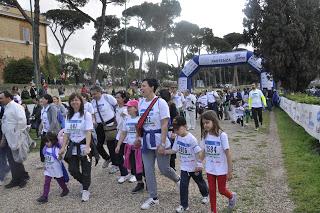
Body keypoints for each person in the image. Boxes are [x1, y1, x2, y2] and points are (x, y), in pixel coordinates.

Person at [137, 79, 180, 210]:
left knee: (163, 169)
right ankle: (153, 197)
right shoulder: (141, 102)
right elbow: (140, 123)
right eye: (141, 86)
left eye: (144, 86)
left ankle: (178, 180)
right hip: (146, 141)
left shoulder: (161, 103)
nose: (141, 88)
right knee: (148, 170)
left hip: (159, 139)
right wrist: (138, 137)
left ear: (152, 87)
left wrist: (162, 143)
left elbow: (165, 124)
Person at [164, 116, 209, 212]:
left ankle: (206, 194)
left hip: (194, 167)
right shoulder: (178, 138)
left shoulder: (191, 139)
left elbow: (199, 153)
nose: (176, 131)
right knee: (183, 186)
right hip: (184, 167)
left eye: (178, 129)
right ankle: (184, 205)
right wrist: (165, 152)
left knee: (200, 182)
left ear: (185, 126)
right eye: (174, 129)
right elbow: (175, 149)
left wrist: (199, 165)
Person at [59, 93, 95, 202]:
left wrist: (88, 146)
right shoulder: (68, 115)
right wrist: (63, 147)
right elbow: (67, 133)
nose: (75, 102)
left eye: (77, 100)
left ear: (81, 101)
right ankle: (85, 183)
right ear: (70, 103)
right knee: (73, 169)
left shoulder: (86, 115)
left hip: (84, 145)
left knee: (86, 169)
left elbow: (88, 131)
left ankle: (85, 190)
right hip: (73, 146)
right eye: (72, 100)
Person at [199, 110, 237, 213]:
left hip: (221, 169)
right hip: (210, 168)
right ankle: (213, 210)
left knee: (222, 190)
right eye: (203, 123)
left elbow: (228, 153)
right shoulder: (205, 135)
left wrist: (230, 170)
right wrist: (198, 163)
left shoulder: (222, 135)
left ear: (214, 121)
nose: (205, 125)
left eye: (207, 122)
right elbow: (203, 151)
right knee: (211, 190)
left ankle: (232, 196)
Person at [0, 91, 30, 188]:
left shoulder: (16, 107)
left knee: (16, 158)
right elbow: (6, 123)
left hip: (15, 137)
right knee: (11, 159)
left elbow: (22, 121)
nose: (0, 100)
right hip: (8, 137)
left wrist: (15, 134)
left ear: (8, 98)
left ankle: (22, 179)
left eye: (1, 98)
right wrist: (4, 137)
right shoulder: (7, 108)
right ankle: (16, 178)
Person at [115, 99, 144, 193]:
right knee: (134, 166)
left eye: (130, 107)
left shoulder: (140, 118)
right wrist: (119, 145)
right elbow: (123, 133)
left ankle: (148, 182)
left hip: (140, 147)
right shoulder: (127, 119)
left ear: (136, 108)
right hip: (130, 146)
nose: (127, 109)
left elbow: (142, 132)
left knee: (143, 166)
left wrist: (138, 139)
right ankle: (140, 183)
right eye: (127, 107)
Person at [37, 132, 69, 203]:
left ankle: (65, 189)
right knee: (46, 182)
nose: (46, 143)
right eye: (45, 142)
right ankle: (45, 196)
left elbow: (60, 159)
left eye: (48, 142)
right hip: (48, 169)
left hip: (56, 169)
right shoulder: (45, 149)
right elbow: (46, 158)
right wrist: (45, 165)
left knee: (60, 180)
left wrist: (60, 155)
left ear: (53, 141)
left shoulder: (56, 149)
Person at [90, 86, 117, 169]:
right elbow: (92, 114)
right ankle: (107, 158)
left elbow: (117, 106)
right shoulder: (92, 102)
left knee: (111, 145)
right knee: (98, 146)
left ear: (99, 92)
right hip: (99, 125)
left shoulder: (107, 97)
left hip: (110, 124)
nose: (93, 96)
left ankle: (115, 164)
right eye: (92, 94)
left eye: (94, 94)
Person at [159, 88, 178, 171]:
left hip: (170, 129)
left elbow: (176, 118)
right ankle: (165, 165)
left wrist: (174, 131)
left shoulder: (172, 106)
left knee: (171, 146)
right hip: (162, 129)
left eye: (159, 95)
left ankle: (172, 166)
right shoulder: (158, 105)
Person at [114, 91, 130, 180]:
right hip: (119, 134)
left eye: (118, 97)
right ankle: (124, 174)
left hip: (128, 136)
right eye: (116, 97)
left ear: (123, 98)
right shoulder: (117, 108)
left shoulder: (127, 109)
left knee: (130, 156)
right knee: (118, 154)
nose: (116, 99)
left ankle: (133, 174)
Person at [40, 94, 60, 164]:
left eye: (43, 99)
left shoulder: (52, 107)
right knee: (44, 147)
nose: (41, 100)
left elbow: (54, 121)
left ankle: (55, 161)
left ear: (47, 100)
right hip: (45, 131)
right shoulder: (44, 108)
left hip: (52, 131)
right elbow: (43, 120)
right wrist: (40, 129)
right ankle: (46, 161)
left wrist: (49, 132)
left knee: (52, 147)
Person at [0, 104, 10, 186]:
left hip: (2, 136)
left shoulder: (4, 109)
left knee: (2, 156)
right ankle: (7, 169)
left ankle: (1, 177)